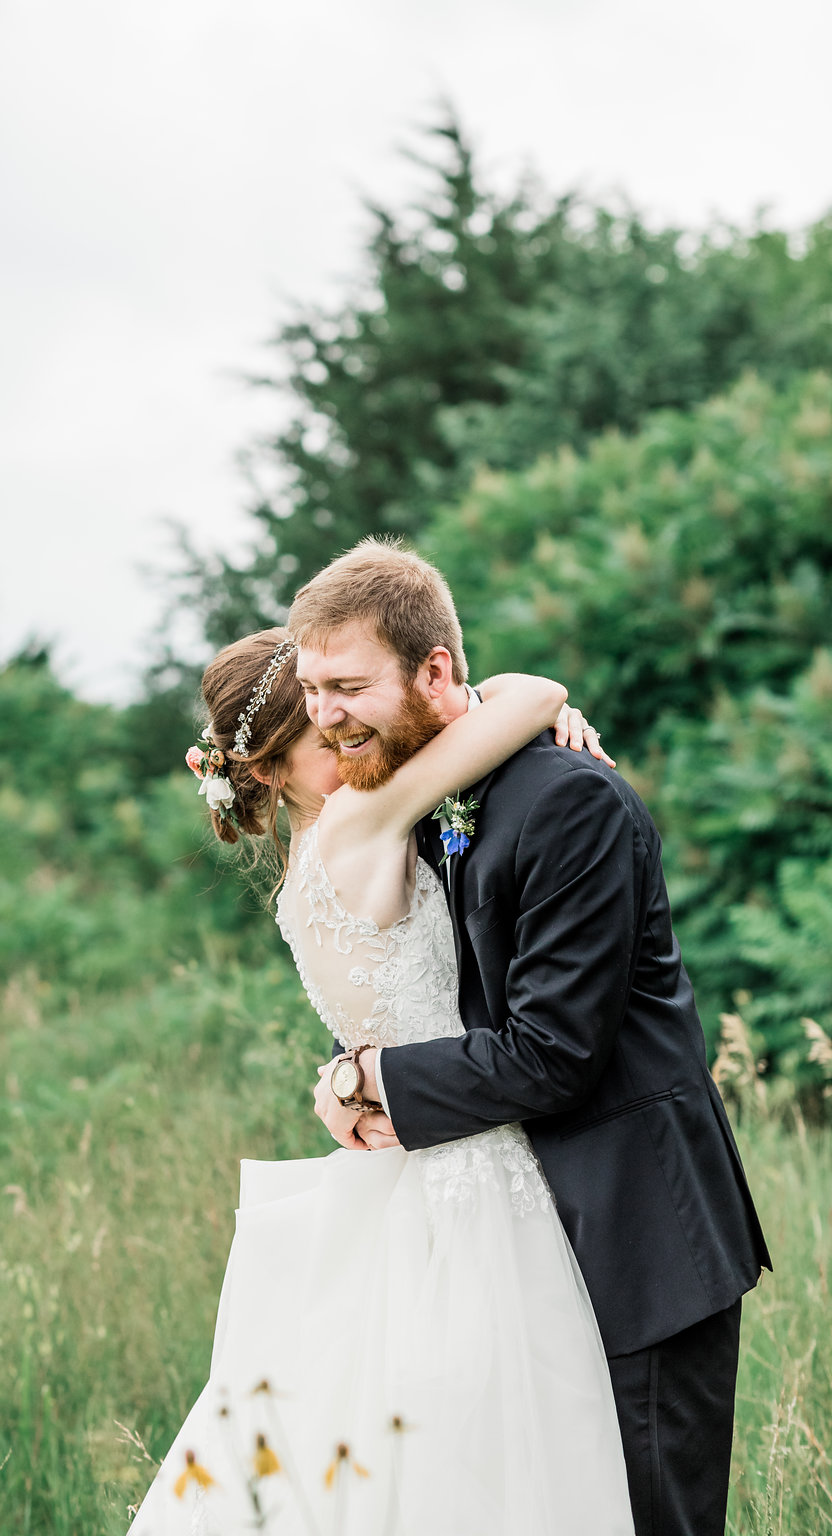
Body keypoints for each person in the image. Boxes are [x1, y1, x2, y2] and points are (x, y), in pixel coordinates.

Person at [289, 539, 772, 1536]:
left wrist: (368, 1074)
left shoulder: (569, 803)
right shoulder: (425, 793)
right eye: (310, 689)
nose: (325, 715)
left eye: (346, 686)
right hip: (501, 1242)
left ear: (435, 670)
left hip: (629, 1236)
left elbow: (553, 1051)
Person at [127, 628, 636, 1535]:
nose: (351, 743)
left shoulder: (304, 863)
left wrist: (351, 1075)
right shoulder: (363, 821)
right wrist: (549, 707)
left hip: (411, 1151)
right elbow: (530, 690)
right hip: (471, 1169)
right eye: (325, 739)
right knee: (500, 1445)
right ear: (273, 769)